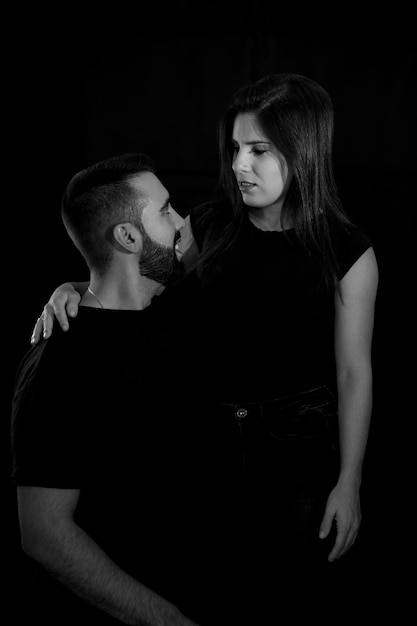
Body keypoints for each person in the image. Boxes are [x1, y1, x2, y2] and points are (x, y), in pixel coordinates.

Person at [30, 73, 379, 611]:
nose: (240, 165)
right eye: (237, 148)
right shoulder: (213, 223)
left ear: (303, 149)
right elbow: (138, 276)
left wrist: (350, 481)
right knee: (211, 585)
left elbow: (354, 371)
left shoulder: (348, 252)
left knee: (292, 591)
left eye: (259, 150)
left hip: (297, 445)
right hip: (204, 435)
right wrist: (71, 286)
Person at [10, 152, 213, 625]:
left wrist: (75, 283)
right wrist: (165, 621)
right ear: (127, 236)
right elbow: (43, 533)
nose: (183, 223)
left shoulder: (167, 310)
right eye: (165, 211)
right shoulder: (60, 362)